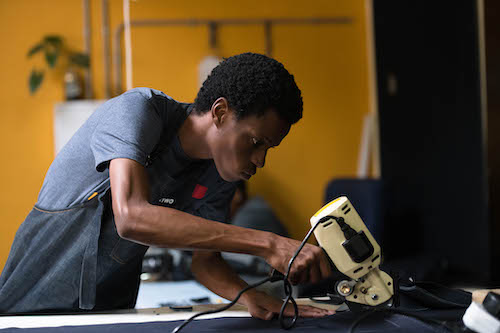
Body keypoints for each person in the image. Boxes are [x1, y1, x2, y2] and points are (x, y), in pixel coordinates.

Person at [0, 53, 333, 320]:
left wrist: (252, 297)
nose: (260, 161)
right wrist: (268, 243)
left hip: (111, 313)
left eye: (268, 149)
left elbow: (205, 262)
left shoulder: (218, 174)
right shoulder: (137, 112)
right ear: (220, 113)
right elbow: (131, 217)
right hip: (28, 311)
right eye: (255, 142)